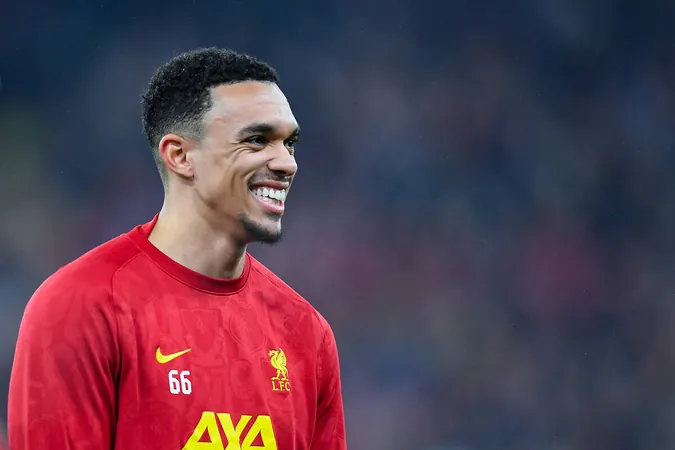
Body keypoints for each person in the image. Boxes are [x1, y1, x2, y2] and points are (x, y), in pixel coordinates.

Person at [8, 47, 347, 450]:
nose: (287, 164)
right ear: (180, 156)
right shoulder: (83, 307)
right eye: (257, 140)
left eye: (289, 143)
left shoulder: (305, 333)